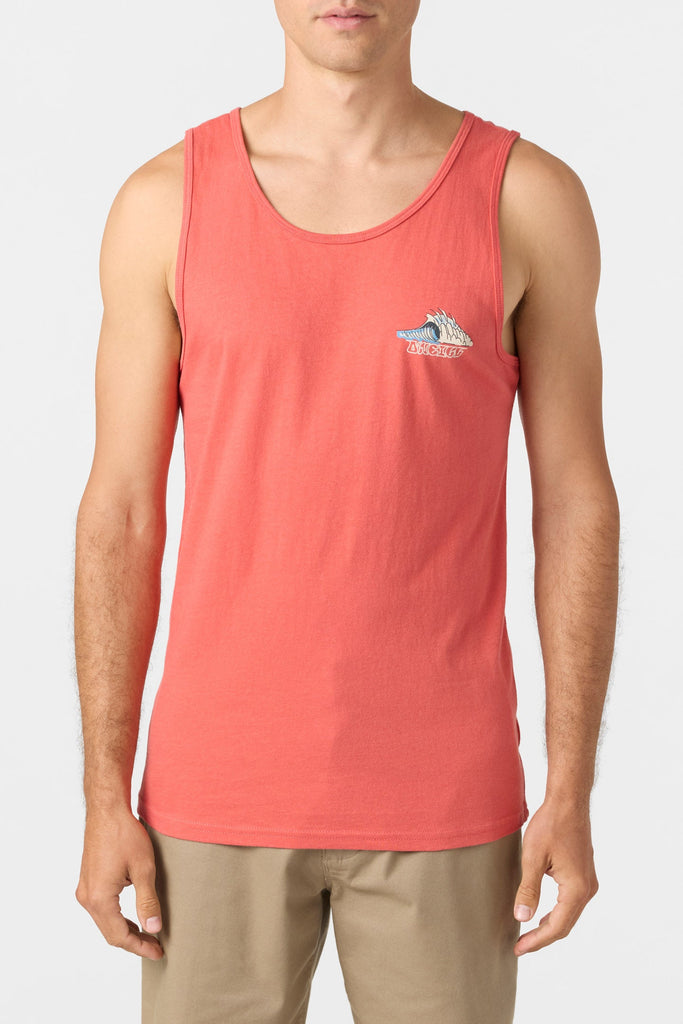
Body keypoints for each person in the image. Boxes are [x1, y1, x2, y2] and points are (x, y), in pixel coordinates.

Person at [73, 1, 619, 1021]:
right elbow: (122, 512)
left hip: (447, 797)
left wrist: (570, 786)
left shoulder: (524, 198)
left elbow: (575, 504)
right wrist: (105, 794)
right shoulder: (164, 202)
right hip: (213, 793)